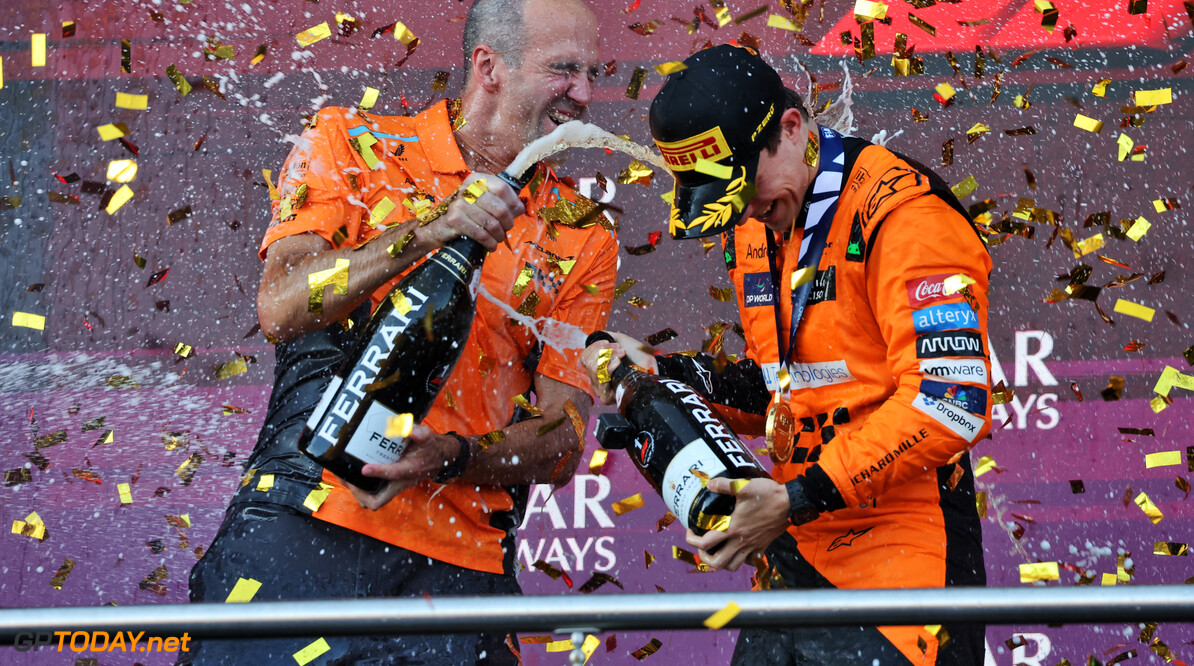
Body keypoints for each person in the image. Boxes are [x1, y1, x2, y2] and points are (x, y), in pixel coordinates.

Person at [182, 0, 613, 663]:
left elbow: (561, 443)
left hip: (460, 570)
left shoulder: (582, 231)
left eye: (592, 72)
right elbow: (282, 306)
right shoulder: (350, 143)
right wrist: (433, 228)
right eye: (564, 69)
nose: (583, 94)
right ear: (488, 66)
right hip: (305, 527)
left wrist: (448, 456)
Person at [582, 45, 992, 665]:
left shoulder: (904, 216)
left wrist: (797, 498)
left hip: (901, 576)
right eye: (726, 199)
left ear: (793, 130)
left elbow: (952, 405)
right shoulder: (758, 221)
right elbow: (781, 387)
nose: (745, 213)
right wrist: (661, 375)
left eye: (747, 190)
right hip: (790, 564)